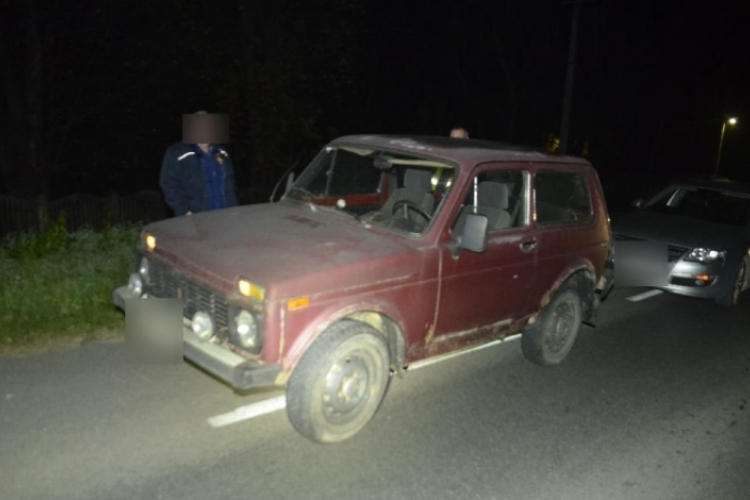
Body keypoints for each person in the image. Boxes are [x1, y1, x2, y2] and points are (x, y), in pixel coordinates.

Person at [159, 111, 238, 216]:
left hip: (226, 214)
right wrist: (183, 210)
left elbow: (230, 182)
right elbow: (168, 184)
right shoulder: (177, 152)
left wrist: (234, 208)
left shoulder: (221, 151)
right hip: (196, 216)